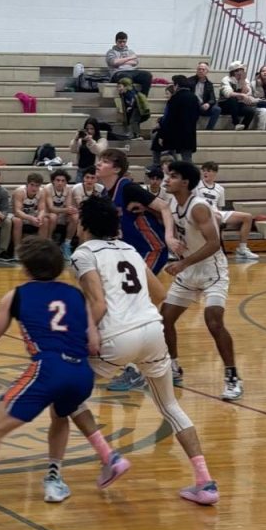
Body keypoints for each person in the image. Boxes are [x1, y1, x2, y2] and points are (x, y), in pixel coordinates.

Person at [0, 237, 120, 525]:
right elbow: (93, 343)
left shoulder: (16, 295)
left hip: (47, 369)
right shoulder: (77, 295)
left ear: (26, 268)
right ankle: (53, 481)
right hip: (81, 373)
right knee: (61, 415)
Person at [59, 195, 221, 505]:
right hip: (152, 330)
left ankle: (110, 458)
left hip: (116, 336)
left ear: (84, 224)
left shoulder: (83, 254)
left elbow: (99, 304)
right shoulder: (129, 249)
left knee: (67, 395)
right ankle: (205, 482)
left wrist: (78, 337)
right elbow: (159, 292)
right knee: (170, 407)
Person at [95, 147, 180, 391]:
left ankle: (136, 369)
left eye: (104, 161)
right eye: (99, 160)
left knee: (135, 306)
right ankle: (162, 364)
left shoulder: (129, 188)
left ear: (117, 168)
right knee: (133, 307)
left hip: (152, 250)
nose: (99, 164)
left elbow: (164, 206)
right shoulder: (105, 193)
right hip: (131, 254)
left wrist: (170, 236)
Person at [161, 161, 244, 401]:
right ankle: (174, 367)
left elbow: (213, 243)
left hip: (211, 270)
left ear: (185, 182)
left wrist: (182, 263)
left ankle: (232, 377)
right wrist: (172, 241)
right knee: (164, 319)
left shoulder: (198, 207)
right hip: (189, 270)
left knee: (213, 321)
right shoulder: (174, 203)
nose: (167, 180)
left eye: (173, 176)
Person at [197, 161, 259, 260]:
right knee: (216, 218)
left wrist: (223, 219)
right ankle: (213, 249)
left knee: (247, 217)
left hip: (216, 212)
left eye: (208, 171)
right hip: (202, 213)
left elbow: (220, 207)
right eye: (203, 171)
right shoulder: (196, 185)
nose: (205, 173)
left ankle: (242, 249)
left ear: (215, 173)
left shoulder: (220, 188)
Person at [154, 74, 198, 164]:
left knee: (170, 157)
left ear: (177, 85)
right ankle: (191, 176)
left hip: (175, 133)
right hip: (189, 133)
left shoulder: (175, 98)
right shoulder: (194, 97)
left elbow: (168, 118)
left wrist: (162, 134)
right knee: (187, 158)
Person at [11, 172, 52, 253]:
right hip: (17, 215)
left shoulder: (42, 192)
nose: (34, 188)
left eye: (37, 186)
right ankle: (17, 250)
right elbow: (17, 211)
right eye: (32, 185)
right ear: (27, 184)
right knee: (18, 221)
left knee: (45, 220)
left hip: (31, 215)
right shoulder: (19, 192)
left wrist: (39, 217)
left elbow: (42, 209)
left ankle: (40, 249)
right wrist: (31, 218)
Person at [105, 31, 152, 97]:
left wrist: (121, 61)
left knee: (147, 75)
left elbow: (135, 62)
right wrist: (130, 58)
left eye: (124, 42)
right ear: (116, 42)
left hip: (132, 71)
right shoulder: (111, 52)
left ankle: (142, 98)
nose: (122, 44)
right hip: (118, 73)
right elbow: (114, 63)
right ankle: (132, 100)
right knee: (126, 77)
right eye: (120, 42)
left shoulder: (130, 51)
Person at [45, 169, 77, 258]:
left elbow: (68, 206)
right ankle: (49, 241)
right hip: (48, 214)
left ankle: (66, 244)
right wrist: (66, 210)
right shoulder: (47, 188)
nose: (60, 183)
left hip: (61, 214)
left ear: (66, 182)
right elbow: (51, 208)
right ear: (53, 181)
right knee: (53, 216)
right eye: (58, 180)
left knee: (75, 217)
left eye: (63, 181)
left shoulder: (68, 189)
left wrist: (71, 210)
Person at [218, 61, 256, 131]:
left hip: (238, 105)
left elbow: (248, 93)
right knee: (233, 99)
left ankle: (243, 128)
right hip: (225, 105)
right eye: (238, 70)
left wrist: (243, 81)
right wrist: (241, 95)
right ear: (233, 72)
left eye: (242, 70)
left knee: (251, 111)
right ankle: (236, 123)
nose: (241, 72)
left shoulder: (245, 80)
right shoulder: (226, 79)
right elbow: (228, 94)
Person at [192, 61, 221, 130]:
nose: (201, 71)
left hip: (203, 106)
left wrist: (208, 104)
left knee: (217, 109)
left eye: (203, 69)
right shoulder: (190, 81)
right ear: (197, 70)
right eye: (199, 69)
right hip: (193, 105)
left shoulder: (209, 84)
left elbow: (213, 98)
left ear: (207, 72)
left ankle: (209, 129)